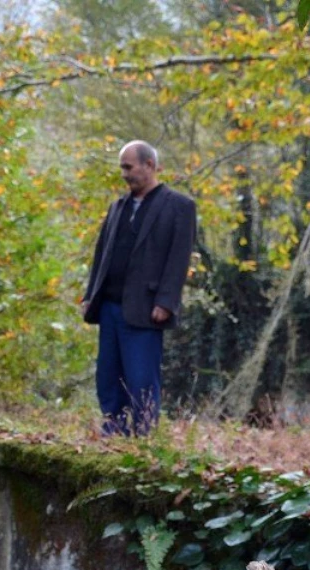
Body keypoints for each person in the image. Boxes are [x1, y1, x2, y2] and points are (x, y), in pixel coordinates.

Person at [81, 141, 197, 436]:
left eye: (128, 167)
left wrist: (166, 301)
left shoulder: (179, 206)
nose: (124, 174)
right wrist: (90, 294)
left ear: (149, 165)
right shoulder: (117, 206)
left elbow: (178, 258)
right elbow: (102, 253)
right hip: (109, 306)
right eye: (122, 167)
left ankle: (144, 440)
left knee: (141, 378)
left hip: (146, 309)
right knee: (107, 376)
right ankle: (114, 434)